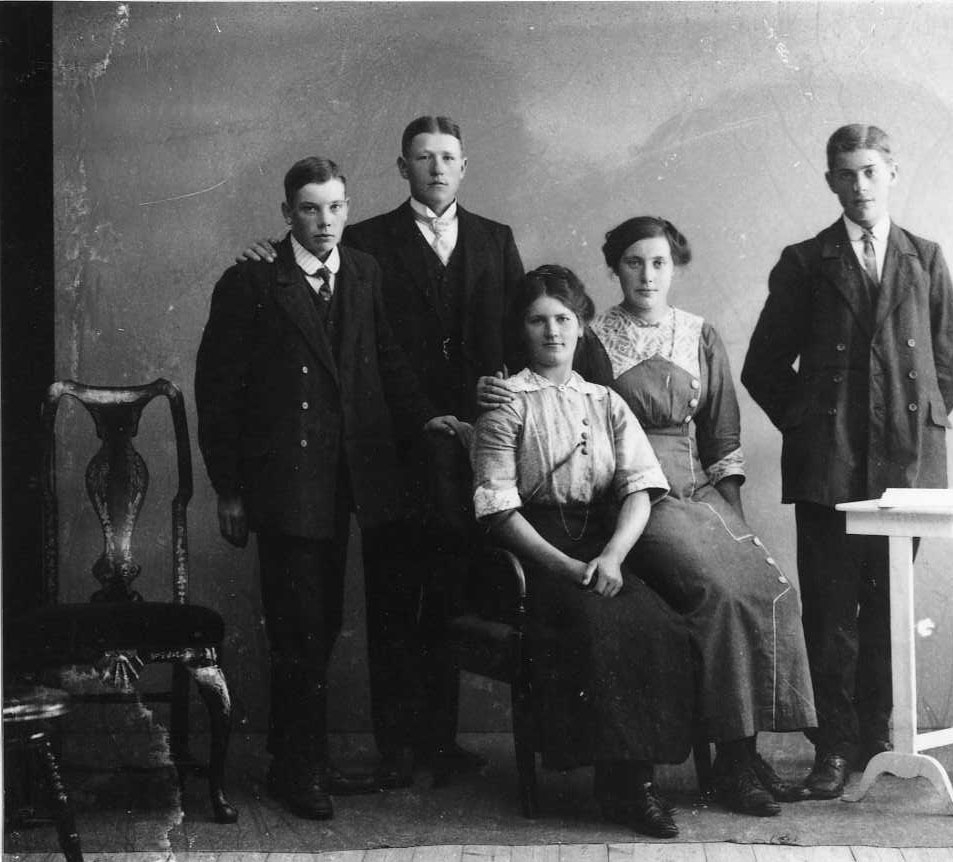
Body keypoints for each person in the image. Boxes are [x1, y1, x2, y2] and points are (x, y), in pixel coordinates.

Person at [238, 116, 524, 788]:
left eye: (447, 157)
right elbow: (333, 309)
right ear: (402, 168)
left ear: (464, 165)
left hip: (471, 442)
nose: (436, 168)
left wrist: (503, 392)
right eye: (423, 158)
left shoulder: (495, 239)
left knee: (449, 590)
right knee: (393, 598)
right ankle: (396, 745)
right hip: (389, 448)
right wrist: (265, 254)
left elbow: (518, 331)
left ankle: (439, 742)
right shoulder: (363, 239)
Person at [195, 156, 443, 820]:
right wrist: (228, 488)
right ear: (287, 213)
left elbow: (385, 357)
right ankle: (298, 770)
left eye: (335, 207)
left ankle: (296, 754)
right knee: (299, 627)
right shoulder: (251, 281)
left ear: (347, 208)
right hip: (287, 485)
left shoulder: (362, 271)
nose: (325, 221)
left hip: (352, 477)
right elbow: (218, 393)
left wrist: (427, 416)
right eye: (309, 208)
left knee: (325, 624)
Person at [741, 124, 953, 799]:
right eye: (846, 174)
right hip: (830, 467)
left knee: (890, 608)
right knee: (831, 613)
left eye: (871, 171)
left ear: (892, 173)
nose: (860, 185)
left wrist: (911, 423)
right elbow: (763, 366)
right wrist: (814, 425)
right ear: (830, 182)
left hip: (906, 467)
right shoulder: (805, 262)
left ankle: (879, 740)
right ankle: (834, 749)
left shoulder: (925, 258)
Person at [576, 216, 816, 816]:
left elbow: (722, 436)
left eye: (659, 263)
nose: (647, 275)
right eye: (634, 263)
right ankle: (731, 767)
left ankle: (743, 754)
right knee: (720, 592)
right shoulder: (593, 339)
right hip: (639, 497)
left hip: (700, 493)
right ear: (615, 268)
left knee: (769, 586)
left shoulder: (699, 333)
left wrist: (735, 520)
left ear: (675, 267)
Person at [471, 264, 696, 839]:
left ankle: (634, 781)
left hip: (601, 545)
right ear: (521, 329)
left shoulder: (605, 401)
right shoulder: (505, 403)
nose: (552, 332)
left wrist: (613, 557)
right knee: (595, 623)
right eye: (538, 320)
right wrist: (569, 567)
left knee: (659, 623)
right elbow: (498, 511)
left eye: (564, 319)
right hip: (534, 554)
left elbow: (640, 488)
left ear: (581, 325)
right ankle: (620, 787)